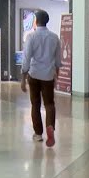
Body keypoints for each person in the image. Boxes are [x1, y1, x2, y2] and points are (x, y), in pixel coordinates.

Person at [20, 9, 61, 148]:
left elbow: (26, 58)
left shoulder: (31, 37)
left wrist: (23, 77)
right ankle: (50, 127)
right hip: (48, 75)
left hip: (34, 74)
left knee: (35, 104)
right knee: (49, 104)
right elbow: (58, 59)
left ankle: (38, 134)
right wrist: (57, 74)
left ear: (36, 21)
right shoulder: (54, 37)